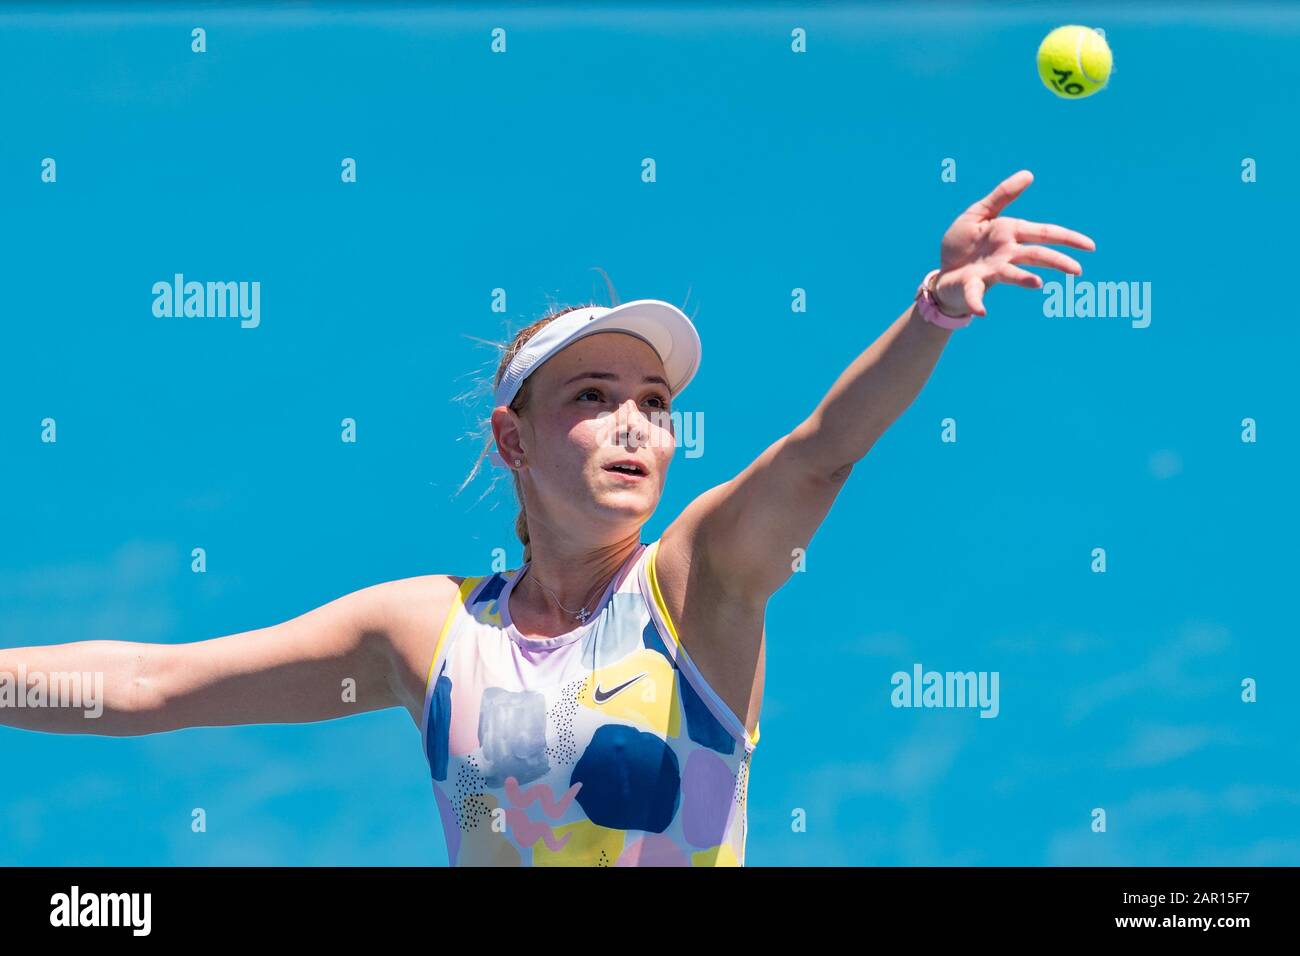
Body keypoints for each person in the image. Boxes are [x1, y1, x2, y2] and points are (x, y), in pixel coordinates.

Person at [0, 170, 1093, 866]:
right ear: (512, 439)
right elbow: (154, 684)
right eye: (591, 397)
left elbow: (819, 453)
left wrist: (932, 311)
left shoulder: (695, 580)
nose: (633, 425)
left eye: (655, 405)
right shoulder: (424, 631)